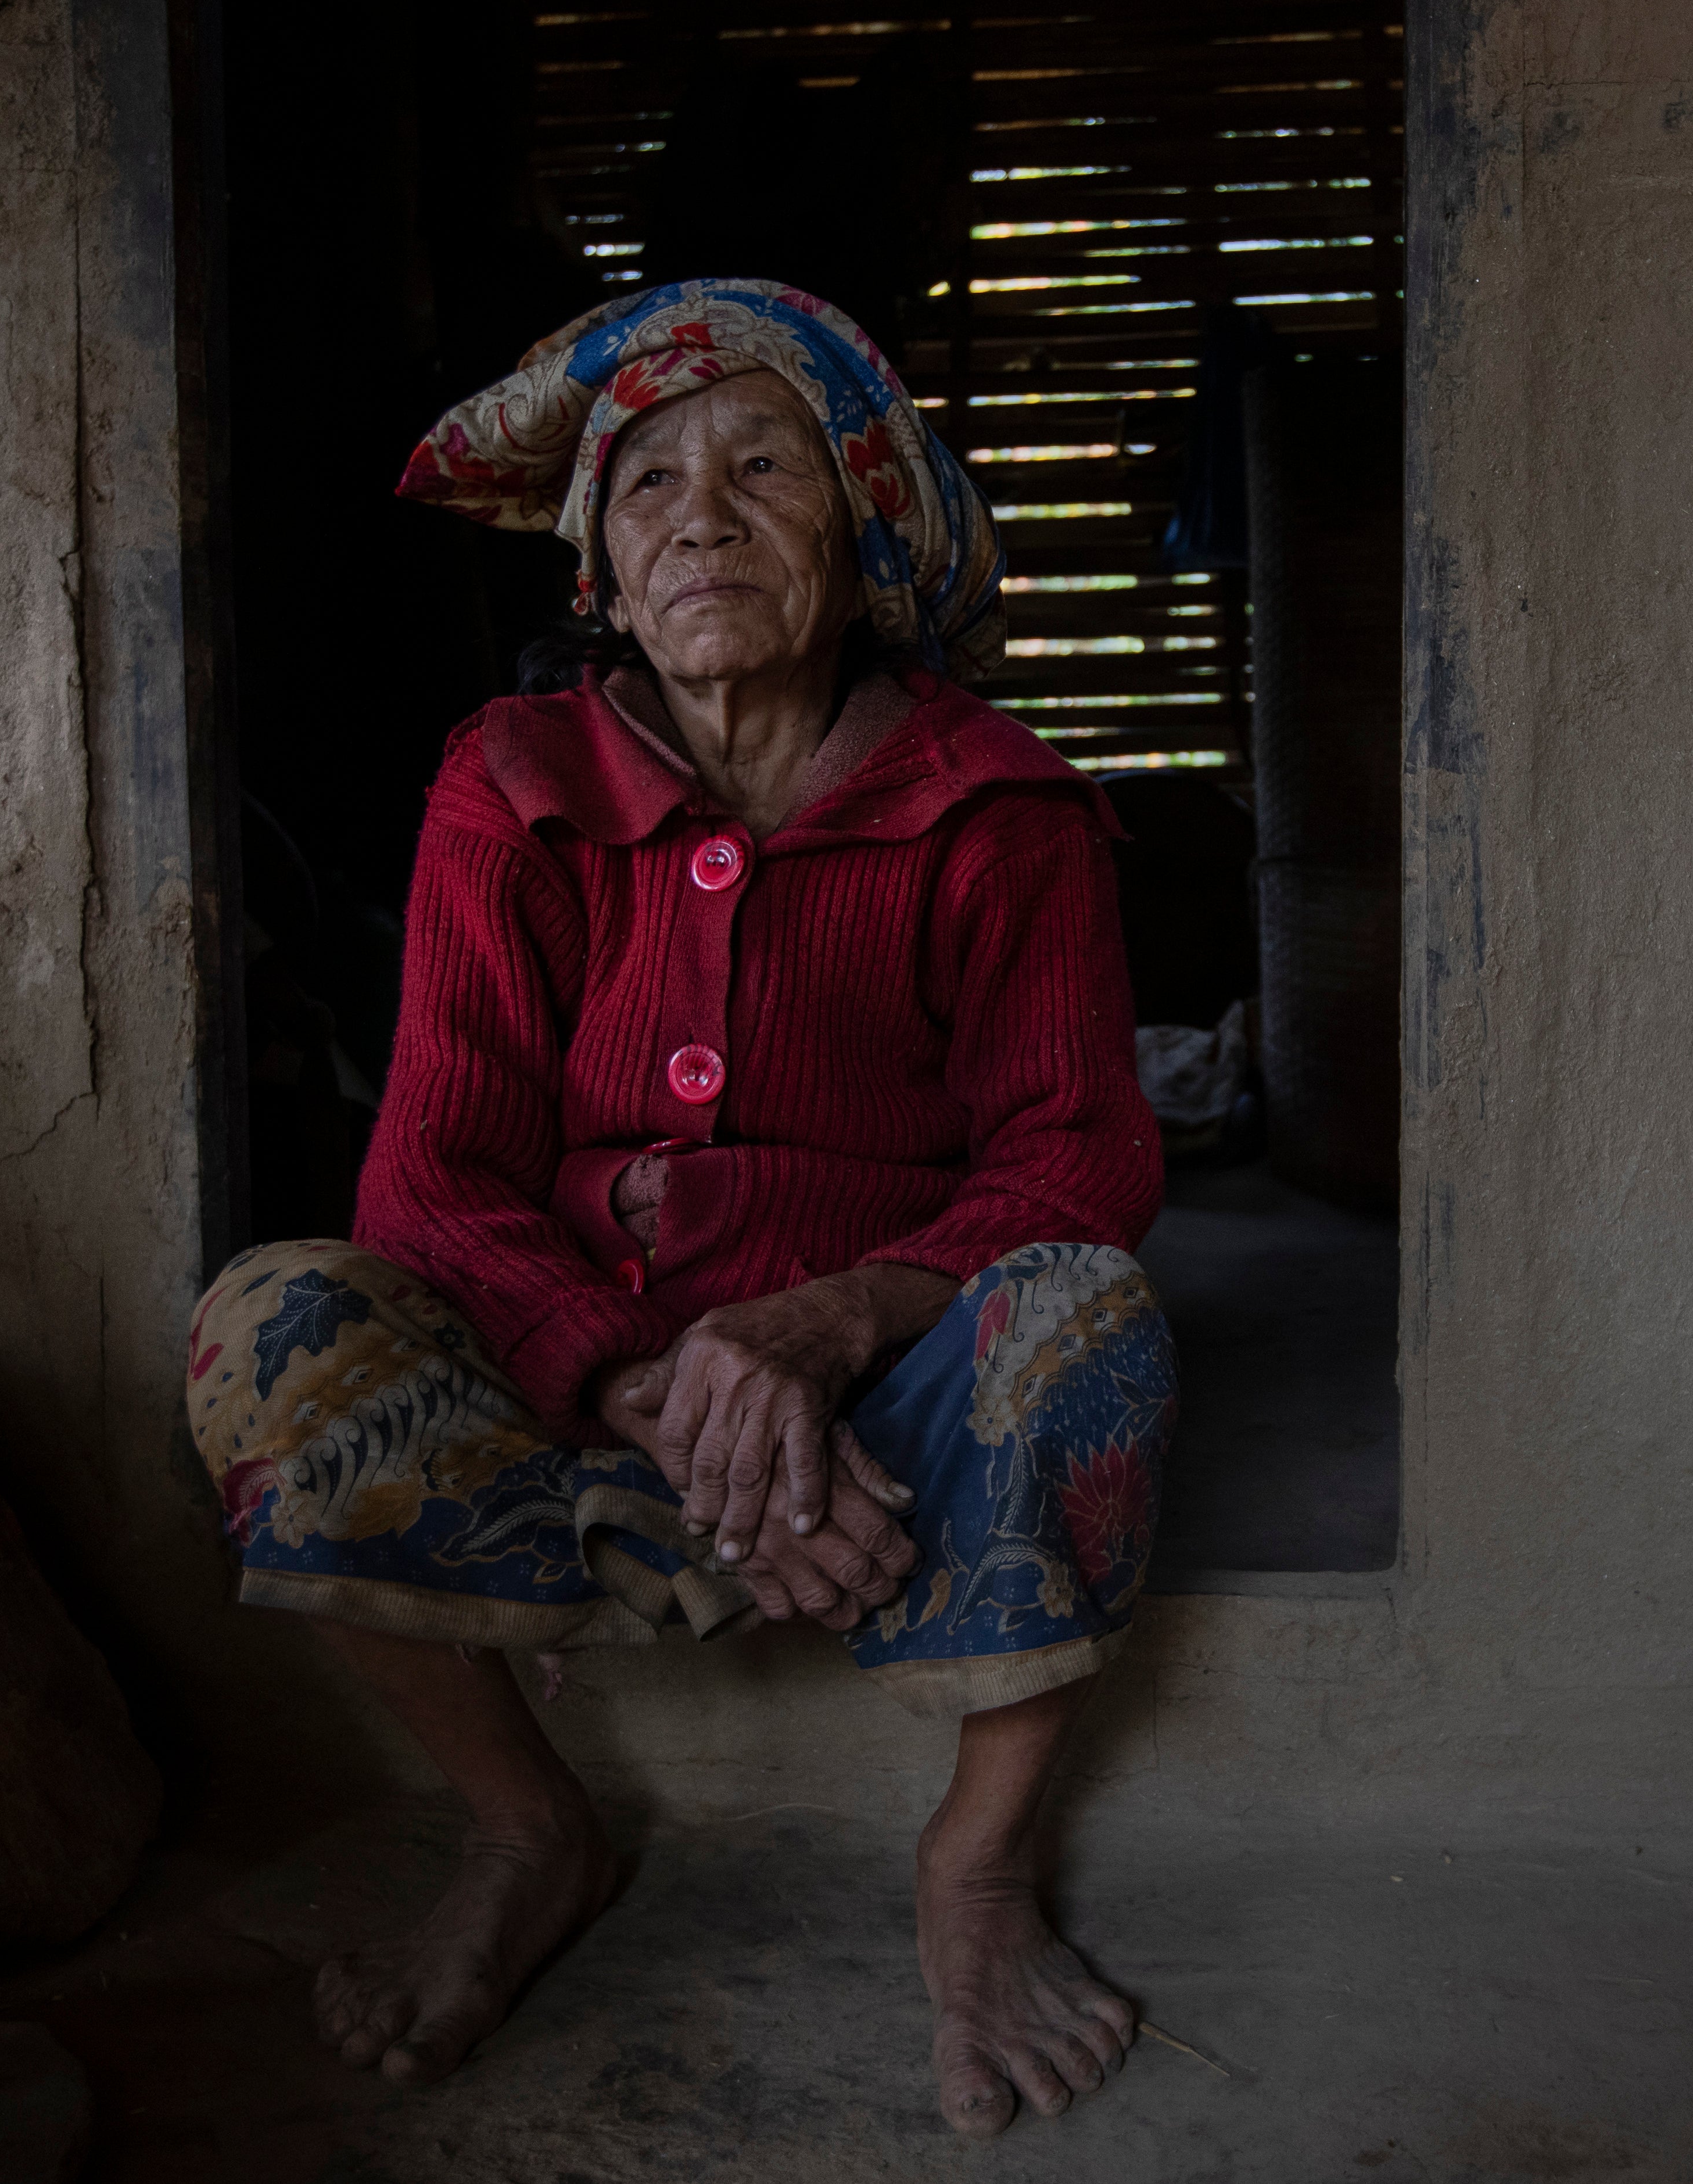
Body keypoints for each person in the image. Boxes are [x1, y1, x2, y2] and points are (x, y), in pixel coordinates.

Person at [181, 280, 1174, 2136]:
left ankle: (975, 1860)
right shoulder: (509, 786)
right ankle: (529, 1823)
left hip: (881, 1405)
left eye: (763, 465)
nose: (698, 518)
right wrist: (647, 1383)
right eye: (644, 488)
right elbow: (434, 1175)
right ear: (601, 572)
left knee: (1083, 1307)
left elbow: (1082, 1154)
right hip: (581, 1390)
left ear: (861, 530)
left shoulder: (998, 808)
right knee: (278, 1318)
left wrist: (825, 1328)